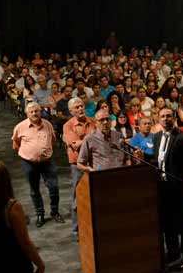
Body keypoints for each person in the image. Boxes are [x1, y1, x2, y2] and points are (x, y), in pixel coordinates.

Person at [150, 108, 183, 270]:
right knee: (168, 223)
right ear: (158, 119)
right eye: (162, 116)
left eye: (168, 116)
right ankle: (173, 254)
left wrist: (178, 175)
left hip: (178, 186)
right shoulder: (156, 137)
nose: (165, 119)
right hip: (162, 188)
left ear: (174, 118)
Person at [11, 102, 62, 228]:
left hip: (47, 162)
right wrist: (29, 154)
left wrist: (44, 152)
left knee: (54, 187)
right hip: (29, 163)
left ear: (40, 111)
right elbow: (15, 145)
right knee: (34, 190)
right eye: (31, 111)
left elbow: (53, 141)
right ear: (27, 113)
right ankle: (40, 214)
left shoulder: (48, 124)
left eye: (36, 111)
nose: (34, 113)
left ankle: (55, 212)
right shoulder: (20, 127)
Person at [62, 97, 96, 233]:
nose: (80, 109)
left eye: (81, 106)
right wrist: (92, 136)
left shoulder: (93, 121)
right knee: (78, 195)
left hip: (94, 161)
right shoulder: (68, 126)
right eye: (77, 107)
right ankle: (76, 228)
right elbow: (75, 145)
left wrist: (86, 139)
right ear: (71, 111)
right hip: (78, 164)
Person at [76, 108, 127, 172]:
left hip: (120, 175)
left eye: (107, 119)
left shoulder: (118, 136)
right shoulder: (89, 139)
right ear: (96, 123)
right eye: (101, 120)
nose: (105, 122)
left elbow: (126, 158)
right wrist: (90, 170)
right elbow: (80, 164)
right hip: (102, 177)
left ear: (111, 121)